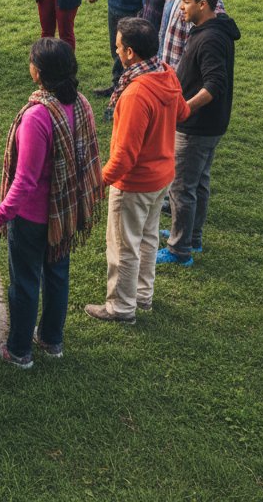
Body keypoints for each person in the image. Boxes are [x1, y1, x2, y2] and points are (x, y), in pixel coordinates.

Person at [0, 39, 102, 366]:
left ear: (39, 73)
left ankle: (19, 351)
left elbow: (25, 180)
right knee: (57, 274)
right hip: (64, 212)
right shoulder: (81, 104)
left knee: (24, 282)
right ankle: (52, 340)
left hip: (33, 217)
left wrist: (0, 216)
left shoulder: (38, 117)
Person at [84, 17, 189, 323]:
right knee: (147, 238)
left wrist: (99, 183)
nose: (115, 51)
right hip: (162, 177)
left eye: (117, 47)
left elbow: (125, 155)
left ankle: (121, 307)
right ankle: (142, 296)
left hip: (136, 182)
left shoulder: (135, 94)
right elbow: (181, 111)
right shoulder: (165, 73)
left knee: (124, 246)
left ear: (130, 52)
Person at [157, 0, 240, 267]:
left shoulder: (209, 38)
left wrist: (185, 109)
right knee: (199, 182)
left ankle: (180, 250)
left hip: (197, 127)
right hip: (212, 125)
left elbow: (214, 83)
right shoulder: (213, 29)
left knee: (182, 188)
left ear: (202, 5)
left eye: (185, 2)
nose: (181, 8)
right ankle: (193, 236)